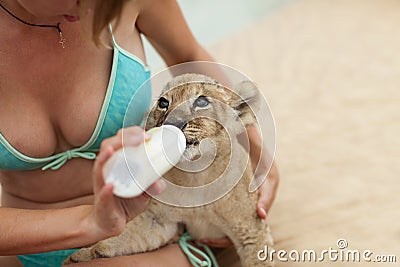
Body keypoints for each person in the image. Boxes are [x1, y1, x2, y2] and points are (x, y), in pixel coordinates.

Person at [0, 0, 279, 266]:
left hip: (155, 224)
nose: (91, 8)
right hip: (22, 241)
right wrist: (90, 223)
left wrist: (252, 140)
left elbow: (188, 54)